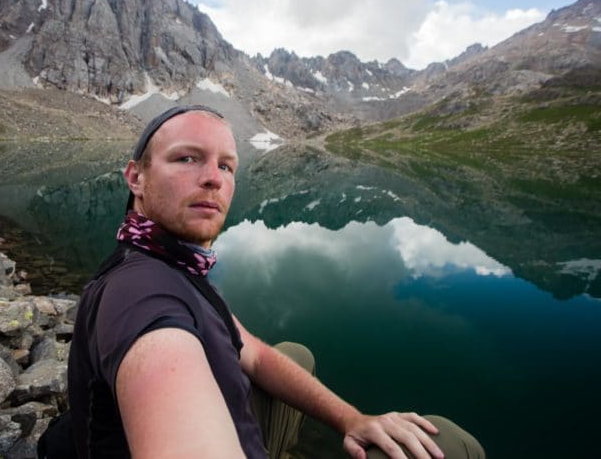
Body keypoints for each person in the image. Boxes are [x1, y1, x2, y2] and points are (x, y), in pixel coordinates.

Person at [67, 105, 484, 459]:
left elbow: (256, 354)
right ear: (136, 178)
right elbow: (161, 352)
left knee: (293, 355)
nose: (214, 178)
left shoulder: (170, 262)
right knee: (446, 439)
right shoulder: (141, 294)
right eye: (187, 158)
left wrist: (352, 419)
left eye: (226, 165)